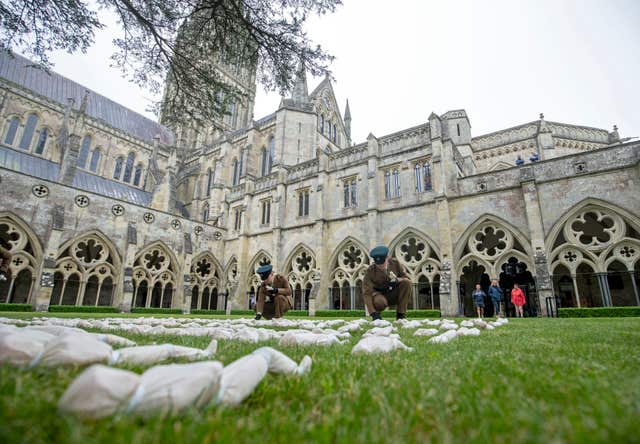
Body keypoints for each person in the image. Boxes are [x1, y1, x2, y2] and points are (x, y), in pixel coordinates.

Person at [362, 245, 412, 321]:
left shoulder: (395, 264)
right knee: (380, 302)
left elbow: (407, 278)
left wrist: (397, 280)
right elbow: (367, 292)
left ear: (387, 258)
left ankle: (401, 315)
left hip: (393, 293)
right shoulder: (370, 271)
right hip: (379, 296)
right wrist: (372, 313)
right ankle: (378, 315)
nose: (381, 266)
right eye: (378, 264)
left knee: (406, 283)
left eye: (383, 263)